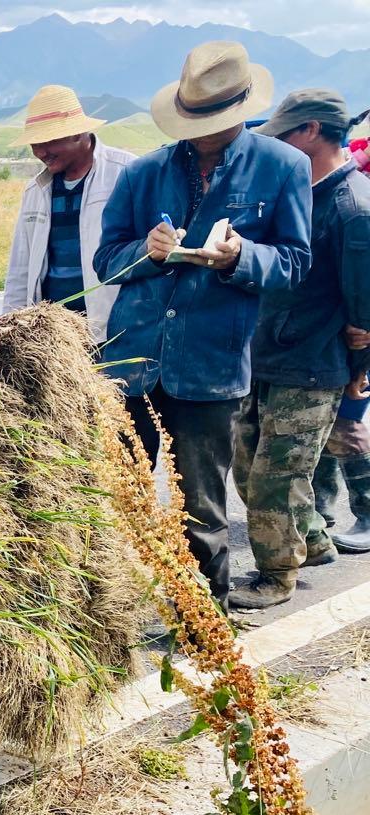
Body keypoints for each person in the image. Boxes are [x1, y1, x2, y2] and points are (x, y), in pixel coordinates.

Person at [93, 42, 312, 607]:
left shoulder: (283, 167)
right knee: (120, 495)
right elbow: (105, 258)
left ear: (240, 110)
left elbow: (293, 264)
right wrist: (148, 251)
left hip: (210, 363)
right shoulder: (146, 173)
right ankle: (115, 610)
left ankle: (202, 617)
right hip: (131, 359)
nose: (202, 132)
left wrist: (240, 256)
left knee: (202, 507)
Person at [229, 90, 370, 608]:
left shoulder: (353, 208)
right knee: (246, 468)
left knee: (276, 480)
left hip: (313, 364)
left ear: (310, 131)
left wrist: (359, 369)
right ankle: (311, 541)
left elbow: (364, 308)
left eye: (284, 134)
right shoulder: (298, 192)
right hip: (266, 353)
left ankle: (276, 576)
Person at [4, 85, 138, 343]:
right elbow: (20, 269)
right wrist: (11, 329)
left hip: (113, 331)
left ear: (78, 133)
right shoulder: (35, 190)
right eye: (35, 144)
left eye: (50, 141)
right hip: (55, 338)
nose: (41, 152)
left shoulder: (126, 173)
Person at [315, 370, 370, 553]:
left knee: (344, 422)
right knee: (317, 417)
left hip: (356, 354)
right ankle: (319, 504)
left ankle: (368, 517)